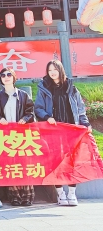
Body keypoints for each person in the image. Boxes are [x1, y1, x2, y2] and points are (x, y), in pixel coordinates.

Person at [35, 59, 91, 206]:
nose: (52, 73)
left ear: (60, 70)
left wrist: (85, 123)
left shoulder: (71, 87)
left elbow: (80, 109)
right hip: (53, 132)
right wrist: (47, 117)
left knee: (72, 161)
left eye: (55, 69)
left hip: (71, 131)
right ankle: (60, 194)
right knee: (55, 162)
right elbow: (38, 108)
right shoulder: (44, 87)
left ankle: (72, 193)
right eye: (50, 70)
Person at [0, 67, 35, 206]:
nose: (6, 77)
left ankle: (27, 195)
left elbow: (31, 113)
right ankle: (14, 196)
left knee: (24, 164)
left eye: (9, 74)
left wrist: (25, 119)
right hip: (5, 136)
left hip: (22, 136)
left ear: (14, 77)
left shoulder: (23, 95)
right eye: (3, 75)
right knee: (10, 164)